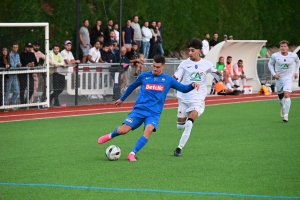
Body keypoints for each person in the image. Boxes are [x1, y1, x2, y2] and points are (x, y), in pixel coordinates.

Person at [97, 56, 200, 161]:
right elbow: (132, 86)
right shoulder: (144, 76)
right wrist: (122, 99)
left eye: (158, 67)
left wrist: (192, 85)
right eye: (154, 66)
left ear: (163, 66)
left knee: (149, 130)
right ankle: (110, 135)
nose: (155, 69)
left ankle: (132, 154)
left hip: (153, 113)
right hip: (139, 110)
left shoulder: (168, 80)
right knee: (123, 130)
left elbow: (183, 88)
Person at [173, 38, 221, 156]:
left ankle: (179, 148)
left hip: (198, 98)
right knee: (180, 126)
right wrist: (170, 80)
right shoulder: (184, 64)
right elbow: (177, 77)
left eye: (192, 50)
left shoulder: (207, 64)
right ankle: (182, 122)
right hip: (184, 98)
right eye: (189, 50)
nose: (190, 53)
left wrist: (219, 74)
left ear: (199, 51)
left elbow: (218, 77)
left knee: (190, 123)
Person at [268, 40, 299, 122]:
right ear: (279, 48)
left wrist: (296, 72)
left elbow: (298, 62)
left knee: (287, 95)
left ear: (288, 47)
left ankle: (286, 115)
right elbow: (270, 64)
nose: (283, 48)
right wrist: (274, 74)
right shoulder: (275, 55)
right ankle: (282, 107)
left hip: (288, 77)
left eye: (285, 46)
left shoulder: (293, 55)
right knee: (280, 96)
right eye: (281, 46)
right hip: (279, 78)